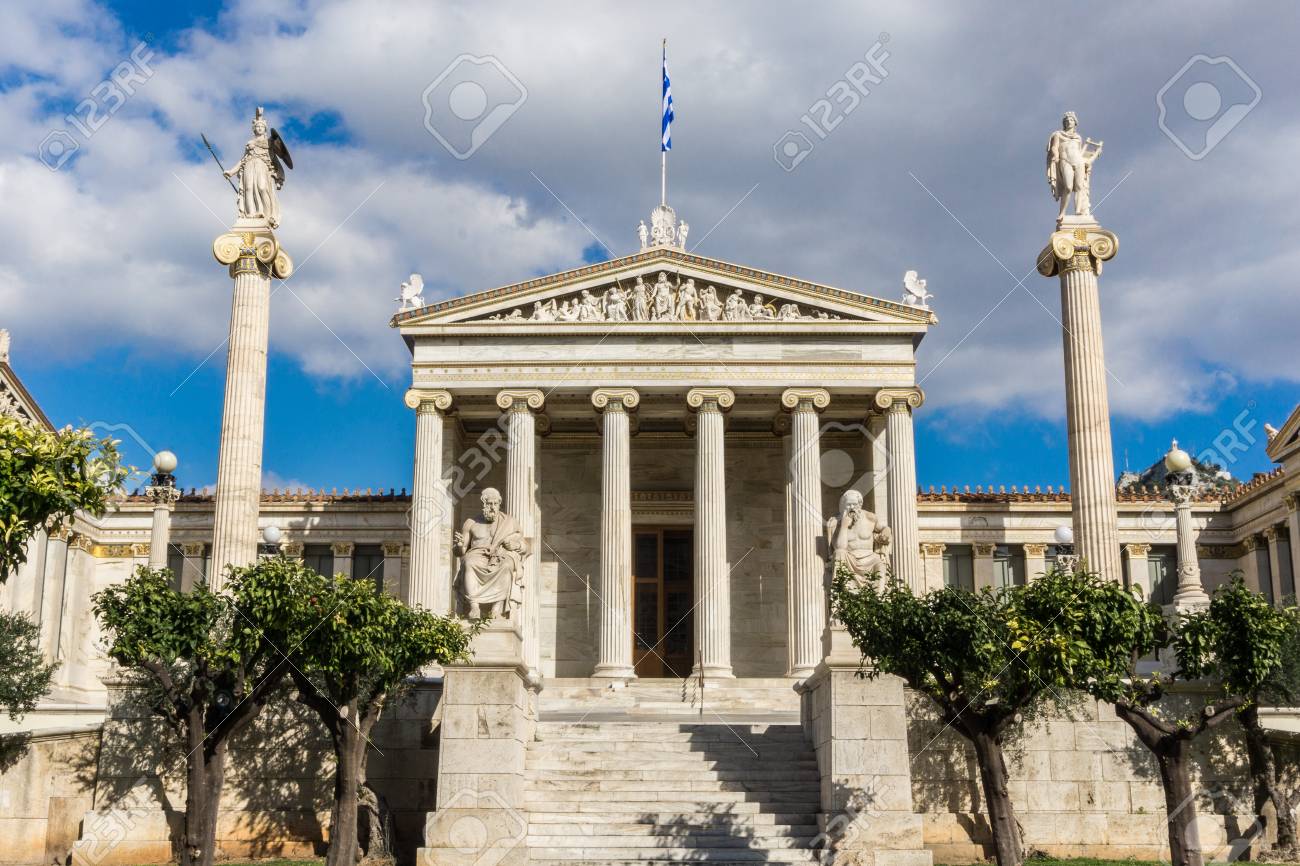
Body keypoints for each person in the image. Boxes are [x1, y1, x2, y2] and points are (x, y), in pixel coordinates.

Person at [455, 488, 528, 619]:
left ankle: (497, 608)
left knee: (507, 565)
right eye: (489, 504)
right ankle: (474, 607)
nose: (493, 507)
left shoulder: (510, 522)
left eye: (495, 504)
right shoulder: (471, 523)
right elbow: (460, 552)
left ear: (500, 504)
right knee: (468, 563)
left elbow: (525, 546)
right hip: (477, 555)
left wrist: (515, 545)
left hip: (500, 556)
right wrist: (459, 545)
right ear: (484, 504)